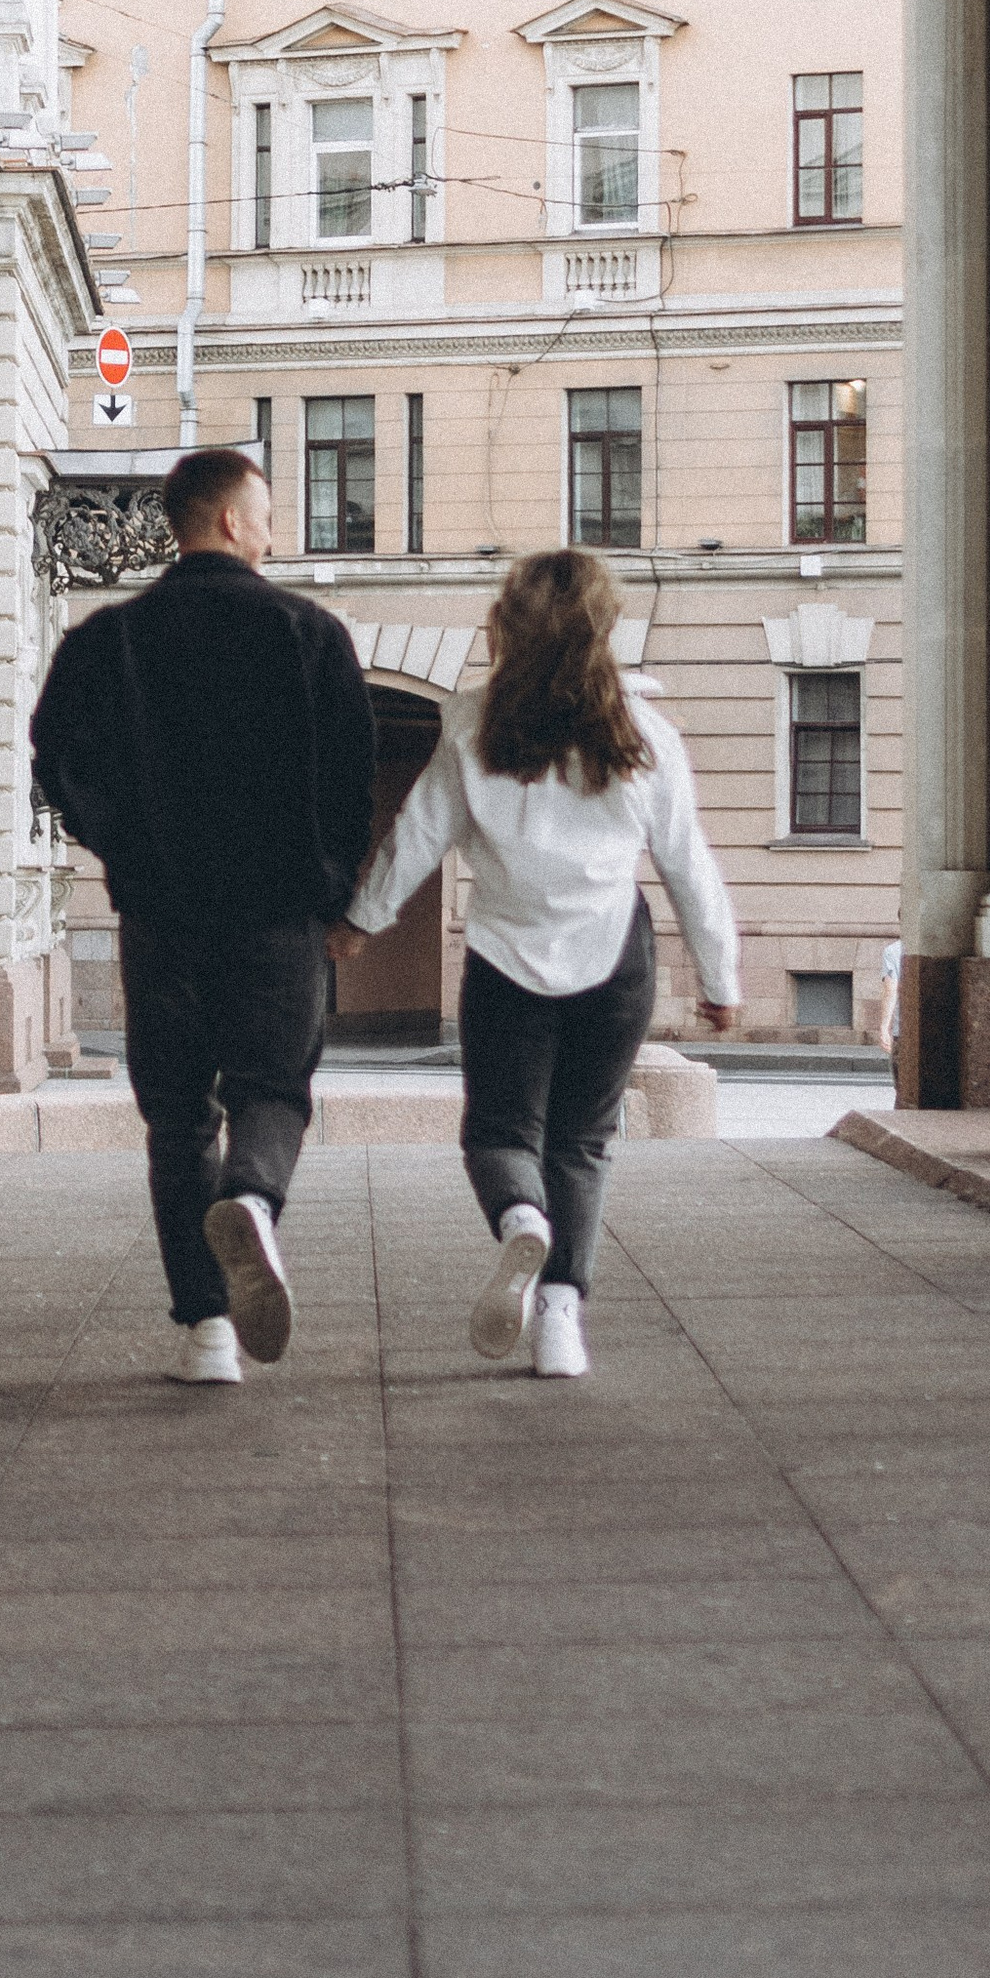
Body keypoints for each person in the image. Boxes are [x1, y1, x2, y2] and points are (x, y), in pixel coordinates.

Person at [332, 548, 739, 1378]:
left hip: (503, 957)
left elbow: (419, 833)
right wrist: (720, 978)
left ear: (508, 624)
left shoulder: (471, 722)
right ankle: (561, 1324)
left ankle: (521, 1217)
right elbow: (688, 865)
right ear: (606, 627)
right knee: (583, 1142)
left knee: (498, 1130)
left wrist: (360, 920)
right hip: (613, 958)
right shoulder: (645, 734)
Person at [30, 445, 374, 1385]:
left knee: (179, 1119)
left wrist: (128, 852)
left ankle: (207, 1334)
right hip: (277, 918)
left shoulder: (107, 641)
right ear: (229, 520)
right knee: (273, 1091)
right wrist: (335, 892)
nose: (273, 531)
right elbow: (352, 781)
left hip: (161, 917)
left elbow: (57, 761)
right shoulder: (309, 634)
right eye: (266, 513)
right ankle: (255, 1198)